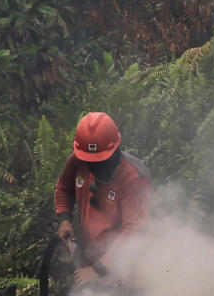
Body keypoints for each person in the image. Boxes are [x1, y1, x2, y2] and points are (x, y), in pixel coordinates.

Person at [54, 112, 151, 286]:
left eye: (100, 161)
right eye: (89, 161)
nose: (93, 167)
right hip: (88, 261)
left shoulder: (134, 178)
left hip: (124, 270)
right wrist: (64, 219)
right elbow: (63, 189)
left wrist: (99, 269)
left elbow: (133, 233)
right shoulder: (77, 160)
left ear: (114, 151)